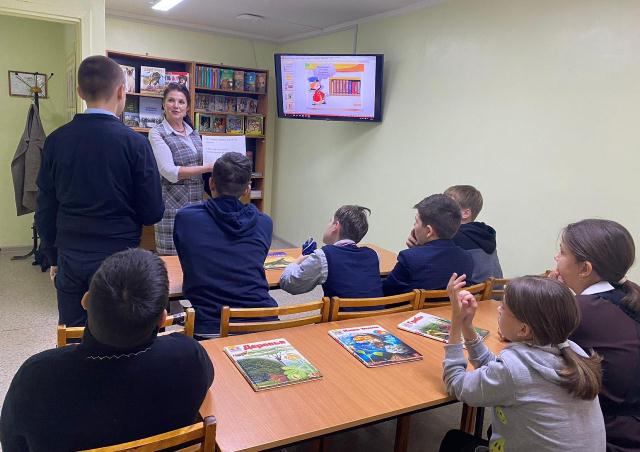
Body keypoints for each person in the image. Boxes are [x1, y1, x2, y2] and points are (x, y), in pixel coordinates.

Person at [0, 249, 214, 451]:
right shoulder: (189, 358)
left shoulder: (35, 378)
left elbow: (13, 446)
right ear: (162, 319)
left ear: (85, 301)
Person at [35, 55, 164, 327]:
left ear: (80, 92)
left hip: (70, 252)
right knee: (117, 329)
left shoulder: (56, 141)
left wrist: (51, 254)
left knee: (72, 329)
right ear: (121, 91)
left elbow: (45, 204)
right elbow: (152, 211)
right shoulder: (136, 144)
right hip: (119, 256)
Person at [440, 274, 606, 452]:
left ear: (523, 329)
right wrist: (467, 326)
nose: (499, 310)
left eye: (503, 307)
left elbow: (456, 384)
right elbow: (498, 371)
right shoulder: (572, 350)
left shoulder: (514, 370)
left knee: (454, 441)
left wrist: (456, 323)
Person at [552, 219, 640, 451]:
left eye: (562, 252)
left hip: (610, 436)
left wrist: (551, 297)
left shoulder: (579, 310)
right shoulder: (627, 295)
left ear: (585, 269)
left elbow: (518, 333)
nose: (556, 258)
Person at [173, 152, 277, 338]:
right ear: (247, 189)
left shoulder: (186, 218)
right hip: (263, 321)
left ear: (211, 183)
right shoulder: (265, 223)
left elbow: (188, 261)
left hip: (210, 325)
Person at [149, 82, 212, 255]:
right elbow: (169, 172)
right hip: (172, 210)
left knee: (195, 258)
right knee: (172, 262)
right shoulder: (157, 133)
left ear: (187, 107)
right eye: (171, 100)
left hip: (197, 207)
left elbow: (205, 163)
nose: (176, 106)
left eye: (181, 102)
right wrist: (207, 167)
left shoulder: (194, 133)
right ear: (163, 104)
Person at [279, 205, 383, 298]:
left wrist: (297, 261)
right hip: (376, 314)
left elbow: (290, 284)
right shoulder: (374, 255)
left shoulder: (324, 256)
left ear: (336, 226)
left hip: (340, 314)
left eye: (330, 221)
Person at [383, 194, 473, 296]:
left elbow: (387, 292)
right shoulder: (467, 258)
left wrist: (416, 252)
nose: (414, 226)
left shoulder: (409, 258)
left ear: (429, 231)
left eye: (416, 222)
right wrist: (419, 250)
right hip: (451, 306)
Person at [442, 185, 503, 282]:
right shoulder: (485, 234)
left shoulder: (454, 236)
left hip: (470, 291)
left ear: (465, 213)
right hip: (494, 291)